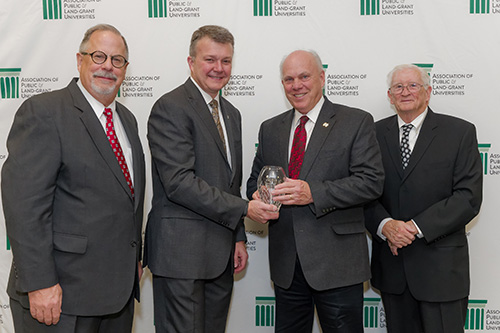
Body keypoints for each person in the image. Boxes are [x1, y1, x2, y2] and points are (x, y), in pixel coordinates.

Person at [1, 24, 145, 332]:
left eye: (117, 60)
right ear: (79, 60)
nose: (108, 65)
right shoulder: (44, 112)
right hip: (59, 298)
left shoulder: (127, 121)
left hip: (116, 298)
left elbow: (126, 200)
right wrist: (39, 283)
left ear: (125, 69)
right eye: (99, 56)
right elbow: (24, 207)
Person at [144, 25, 278, 333]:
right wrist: (245, 210)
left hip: (220, 253)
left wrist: (238, 237)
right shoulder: (171, 107)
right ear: (191, 62)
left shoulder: (231, 112)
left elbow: (229, 181)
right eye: (210, 59)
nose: (219, 68)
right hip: (181, 254)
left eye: (226, 61)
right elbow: (179, 182)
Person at [246, 50, 384, 332]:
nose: (297, 85)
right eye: (288, 79)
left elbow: (371, 181)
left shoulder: (355, 121)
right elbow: (254, 182)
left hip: (337, 265)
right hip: (287, 264)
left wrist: (314, 193)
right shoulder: (270, 128)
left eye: (304, 76)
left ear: (321, 77)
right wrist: (258, 197)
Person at [364, 64, 483, 333]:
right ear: (389, 95)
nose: (405, 92)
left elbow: (468, 197)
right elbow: (362, 192)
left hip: (441, 272)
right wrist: (386, 226)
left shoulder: (459, 132)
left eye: (413, 85)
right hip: (393, 269)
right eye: (398, 87)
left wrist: (414, 228)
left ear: (428, 92)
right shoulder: (371, 133)